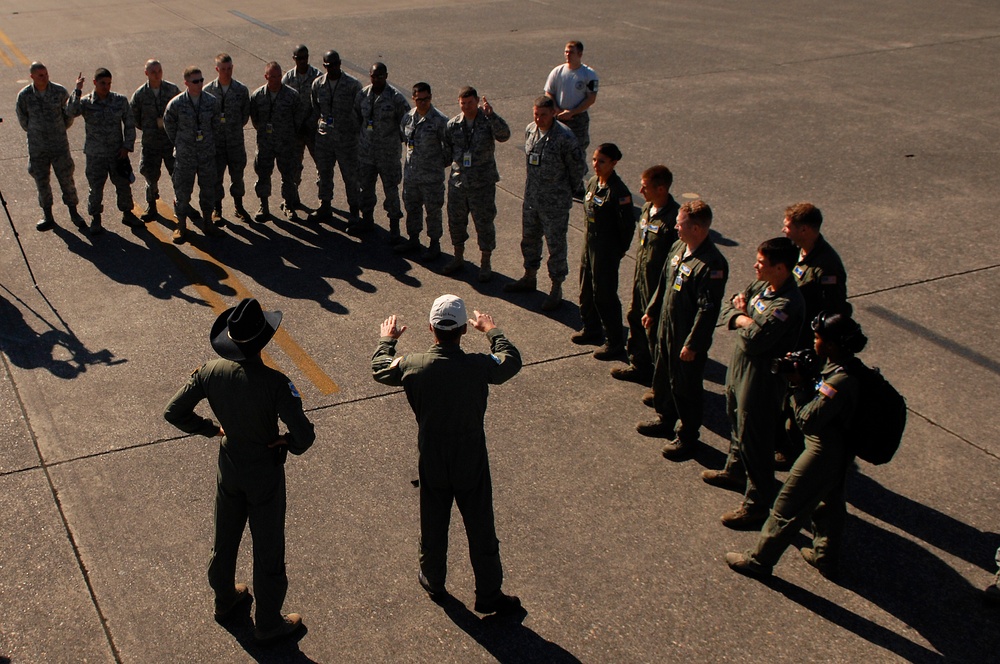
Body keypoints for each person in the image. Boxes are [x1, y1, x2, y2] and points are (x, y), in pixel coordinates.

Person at [163, 297, 315, 644]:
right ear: (262, 341)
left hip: (229, 466)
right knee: (268, 548)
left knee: (225, 536)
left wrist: (210, 429)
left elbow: (173, 413)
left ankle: (224, 599)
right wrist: (286, 443)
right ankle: (268, 622)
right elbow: (305, 437)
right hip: (264, 473)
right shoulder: (277, 384)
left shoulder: (209, 371)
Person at [371, 295, 522, 615]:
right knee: (480, 524)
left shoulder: (413, 365)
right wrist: (492, 331)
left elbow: (380, 369)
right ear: (464, 330)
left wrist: (387, 341)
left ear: (431, 328)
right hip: (470, 456)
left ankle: (433, 578)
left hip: (433, 455)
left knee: (434, 519)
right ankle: (489, 593)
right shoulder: (479, 365)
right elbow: (510, 360)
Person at [726, 312, 867, 580]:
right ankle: (826, 556)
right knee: (830, 502)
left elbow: (808, 420)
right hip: (840, 449)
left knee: (786, 506)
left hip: (822, 450)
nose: (814, 343)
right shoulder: (846, 367)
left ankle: (759, 561)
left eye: (818, 338)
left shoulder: (839, 381)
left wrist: (798, 386)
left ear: (832, 345)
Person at [703, 237, 804, 530]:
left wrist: (744, 319)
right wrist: (744, 318)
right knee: (735, 421)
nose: (755, 266)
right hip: (740, 369)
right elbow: (730, 307)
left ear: (781, 267)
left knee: (755, 441)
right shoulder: (762, 287)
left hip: (761, 378)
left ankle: (756, 504)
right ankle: (735, 471)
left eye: (761, 262)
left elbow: (756, 341)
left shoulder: (787, 304)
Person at [636, 201, 729, 460]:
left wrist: (693, 344)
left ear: (697, 228)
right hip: (666, 325)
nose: (676, 227)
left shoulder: (711, 264)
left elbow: (707, 311)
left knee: (685, 387)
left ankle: (687, 437)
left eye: (681, 223)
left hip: (686, 335)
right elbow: (664, 282)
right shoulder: (679, 247)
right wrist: (652, 310)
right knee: (663, 374)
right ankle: (665, 418)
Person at [775, 203, 851, 467]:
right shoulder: (796, 252)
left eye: (788, 225)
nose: (784, 230)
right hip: (791, 335)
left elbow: (835, 313)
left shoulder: (827, 267)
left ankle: (792, 447)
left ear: (804, 229)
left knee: (801, 393)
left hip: (810, 343)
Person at [503, 96, 586, 311]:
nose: (539, 119)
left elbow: (578, 171)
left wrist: (562, 192)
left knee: (555, 245)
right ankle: (529, 276)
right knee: (529, 240)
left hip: (555, 203)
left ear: (553, 114)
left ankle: (556, 288)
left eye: (543, 115)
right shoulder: (531, 130)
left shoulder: (565, 137)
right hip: (532, 199)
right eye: (536, 114)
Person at [611, 165, 680, 386]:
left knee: (656, 333)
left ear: (661, 189)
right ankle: (639, 366)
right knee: (636, 318)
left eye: (645, 187)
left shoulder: (674, 220)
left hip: (659, 284)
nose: (640, 192)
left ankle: (661, 383)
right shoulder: (648, 208)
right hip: (641, 278)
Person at [569, 143, 636, 359]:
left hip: (606, 249)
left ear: (614, 163)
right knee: (585, 288)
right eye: (595, 160)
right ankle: (591, 328)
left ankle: (614, 342)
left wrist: (617, 251)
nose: (596, 164)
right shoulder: (592, 183)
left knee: (604, 295)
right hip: (589, 244)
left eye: (602, 161)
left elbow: (627, 228)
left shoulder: (619, 192)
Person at [440, 87, 511, 282]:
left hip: (482, 184)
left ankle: (485, 262)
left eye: (470, 103)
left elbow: (504, 135)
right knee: (456, 222)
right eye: (463, 103)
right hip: (459, 183)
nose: (466, 107)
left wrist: (492, 115)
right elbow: (447, 152)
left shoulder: (487, 121)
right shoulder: (453, 125)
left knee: (484, 224)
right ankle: (458, 257)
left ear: (477, 101)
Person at [14, 62, 86, 231]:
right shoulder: (24, 96)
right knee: (42, 181)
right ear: (32, 77)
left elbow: (68, 115)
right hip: (37, 148)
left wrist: (59, 131)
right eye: (40, 75)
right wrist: (37, 133)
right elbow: (23, 120)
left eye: (45, 74)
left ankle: (73, 212)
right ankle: (47, 215)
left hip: (59, 145)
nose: (44, 77)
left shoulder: (59, 91)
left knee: (66, 179)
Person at [66, 68, 138, 235]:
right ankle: (95, 218)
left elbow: (129, 123)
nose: (106, 87)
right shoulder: (86, 102)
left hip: (117, 153)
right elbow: (70, 112)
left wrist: (127, 146)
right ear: (94, 83)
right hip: (95, 155)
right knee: (96, 188)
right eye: (102, 83)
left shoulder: (119, 101)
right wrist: (77, 90)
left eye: (108, 83)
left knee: (123, 185)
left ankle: (127, 213)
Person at [164, 66, 223, 243]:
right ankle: (181, 226)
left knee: (208, 190)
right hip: (185, 156)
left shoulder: (211, 102)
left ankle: (207, 223)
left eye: (201, 80)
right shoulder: (176, 104)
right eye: (195, 81)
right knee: (182, 192)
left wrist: (208, 142)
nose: (199, 84)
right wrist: (181, 142)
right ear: (186, 83)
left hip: (206, 155)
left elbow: (216, 125)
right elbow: (169, 124)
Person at [394, 82, 450, 260]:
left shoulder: (440, 121)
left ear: (431, 98)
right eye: (419, 100)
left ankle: (434, 244)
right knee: (412, 208)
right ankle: (413, 239)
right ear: (414, 99)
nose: (423, 103)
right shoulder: (408, 118)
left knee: (433, 211)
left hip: (432, 178)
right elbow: (405, 139)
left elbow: (449, 148)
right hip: (412, 175)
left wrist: (437, 165)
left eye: (426, 99)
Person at [354, 62, 410, 238]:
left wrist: (393, 143)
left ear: (386, 76)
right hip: (367, 154)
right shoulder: (363, 95)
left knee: (391, 191)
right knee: (365, 189)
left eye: (380, 76)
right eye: (373, 76)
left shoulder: (396, 98)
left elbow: (407, 125)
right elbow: (357, 118)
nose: (376, 79)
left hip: (388, 156)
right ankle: (367, 220)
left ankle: (394, 227)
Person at [307, 49, 362, 224]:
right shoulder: (318, 84)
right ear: (324, 66)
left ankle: (354, 210)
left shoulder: (352, 85)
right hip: (325, 139)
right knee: (323, 174)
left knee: (351, 176)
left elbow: (360, 112)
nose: (333, 68)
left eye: (336, 64)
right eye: (329, 66)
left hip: (347, 140)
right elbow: (315, 108)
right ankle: (325, 206)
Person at [249, 61, 308, 223]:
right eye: (272, 76)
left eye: (279, 76)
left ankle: (288, 205)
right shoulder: (258, 96)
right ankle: (264, 205)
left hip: (286, 143)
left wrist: (288, 133)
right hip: (265, 144)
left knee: (288, 176)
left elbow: (298, 117)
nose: (276, 79)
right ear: (266, 76)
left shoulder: (291, 95)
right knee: (263, 175)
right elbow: (255, 119)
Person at [544, 41, 598, 196]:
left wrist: (573, 112)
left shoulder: (588, 74)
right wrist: (555, 108)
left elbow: (591, 98)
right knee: (557, 152)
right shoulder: (558, 71)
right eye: (566, 52)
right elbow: (549, 92)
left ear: (580, 54)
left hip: (578, 120)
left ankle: (577, 185)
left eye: (571, 52)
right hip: (559, 118)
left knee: (577, 153)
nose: (567, 55)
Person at [130, 59, 181, 221]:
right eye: (153, 72)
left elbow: (181, 112)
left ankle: (181, 204)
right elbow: (134, 118)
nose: (157, 75)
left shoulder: (172, 90)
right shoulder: (140, 95)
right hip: (150, 143)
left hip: (170, 142)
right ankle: (151, 205)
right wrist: (149, 128)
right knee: (150, 175)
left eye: (159, 71)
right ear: (146, 73)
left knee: (178, 174)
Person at [204, 53, 252, 223]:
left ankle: (239, 207)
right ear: (217, 69)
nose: (227, 72)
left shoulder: (241, 90)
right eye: (223, 69)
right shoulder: (208, 91)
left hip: (235, 143)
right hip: (216, 144)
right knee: (216, 177)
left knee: (237, 176)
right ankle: (217, 209)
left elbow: (245, 115)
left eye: (229, 68)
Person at [282, 45, 322, 213]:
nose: (303, 61)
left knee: (322, 166)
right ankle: (291, 200)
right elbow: (283, 105)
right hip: (295, 132)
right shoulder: (288, 78)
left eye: (305, 57)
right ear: (294, 59)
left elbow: (322, 104)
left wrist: (311, 122)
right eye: (299, 58)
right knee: (293, 167)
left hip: (313, 131)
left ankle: (324, 201)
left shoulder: (318, 76)